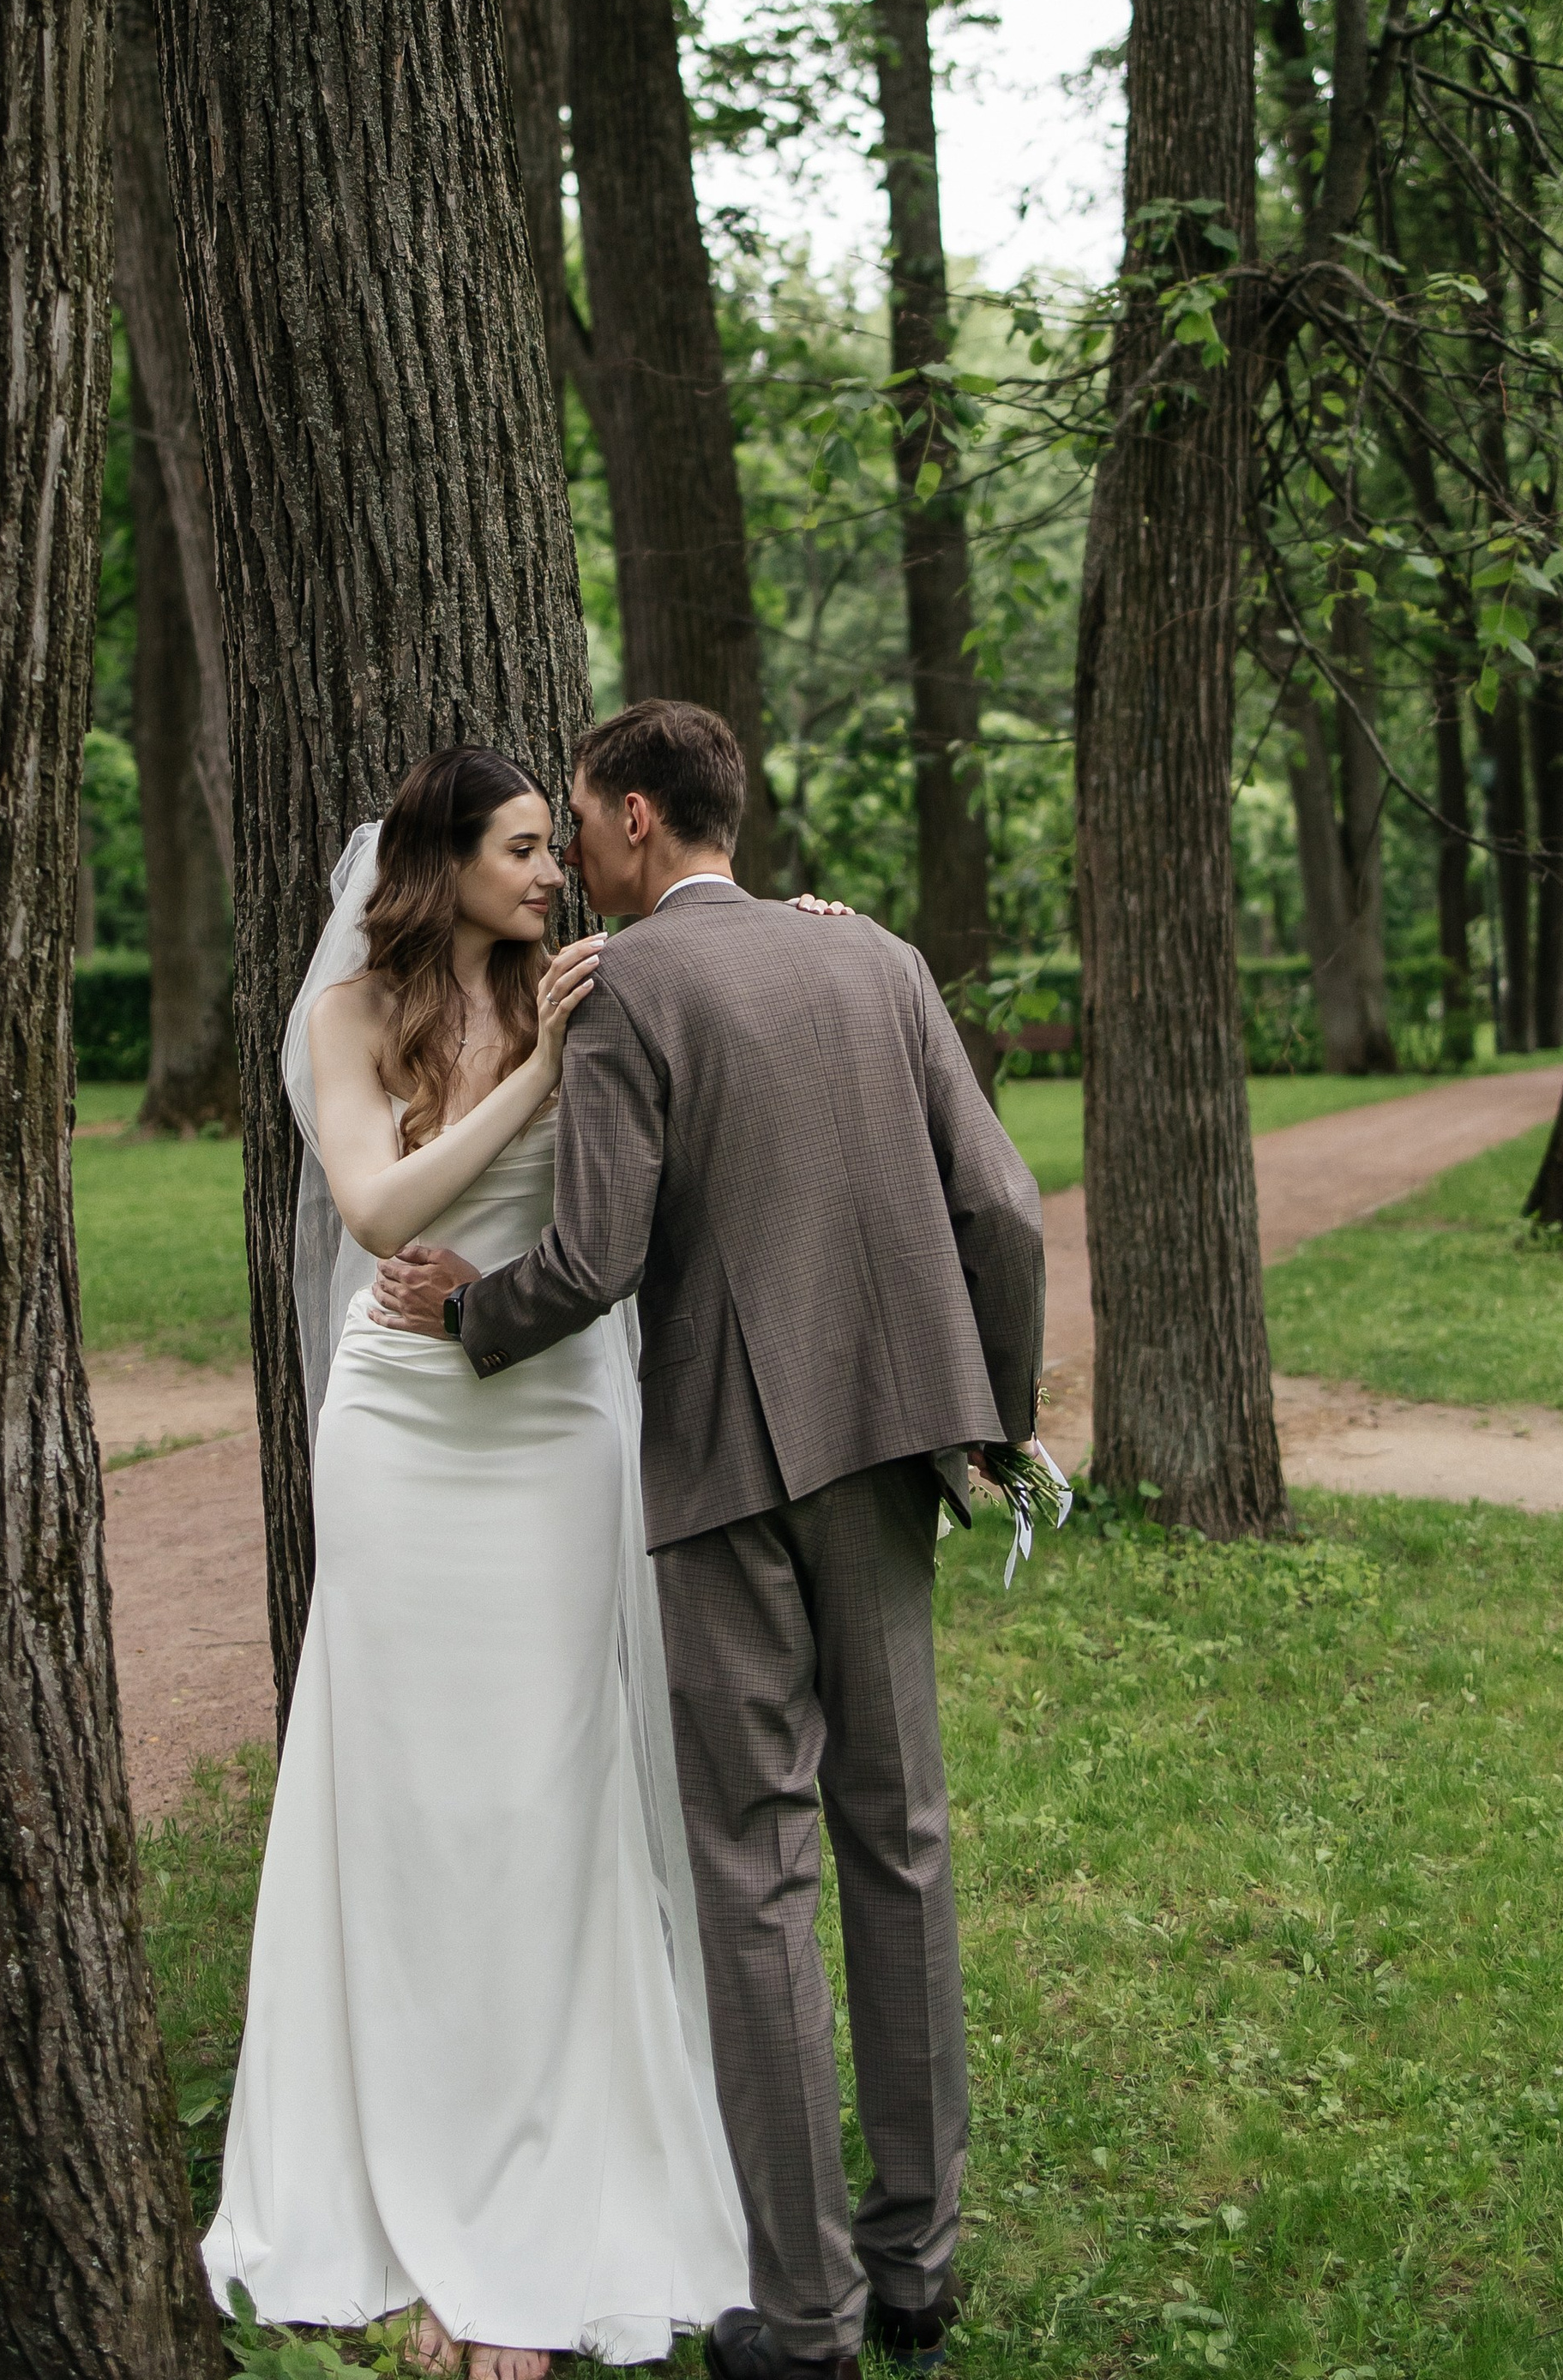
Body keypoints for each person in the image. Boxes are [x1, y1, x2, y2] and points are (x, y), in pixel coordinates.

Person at [371, 700, 1047, 2380]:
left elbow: (594, 1259)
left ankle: (800, 2316)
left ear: (638, 820)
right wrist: (990, 1413)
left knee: (754, 1871)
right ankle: (918, 2270)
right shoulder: (875, 960)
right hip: (892, 1450)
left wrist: (468, 1316)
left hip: (723, 1474)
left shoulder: (625, 989)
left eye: (586, 821)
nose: (577, 853)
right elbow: (1006, 1210)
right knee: (901, 1841)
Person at [200, 745, 749, 2379]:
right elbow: (377, 1210)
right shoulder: (349, 1021)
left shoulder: (593, 980)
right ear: (441, 865)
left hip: (557, 1411)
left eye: (554, 848)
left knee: (544, 1791)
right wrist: (532, 1078)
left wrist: (811, 920)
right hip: (399, 1426)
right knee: (408, 1789)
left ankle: (539, 2194)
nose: (552, 877)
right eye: (522, 851)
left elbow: (737, 985)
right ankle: (393, 2182)